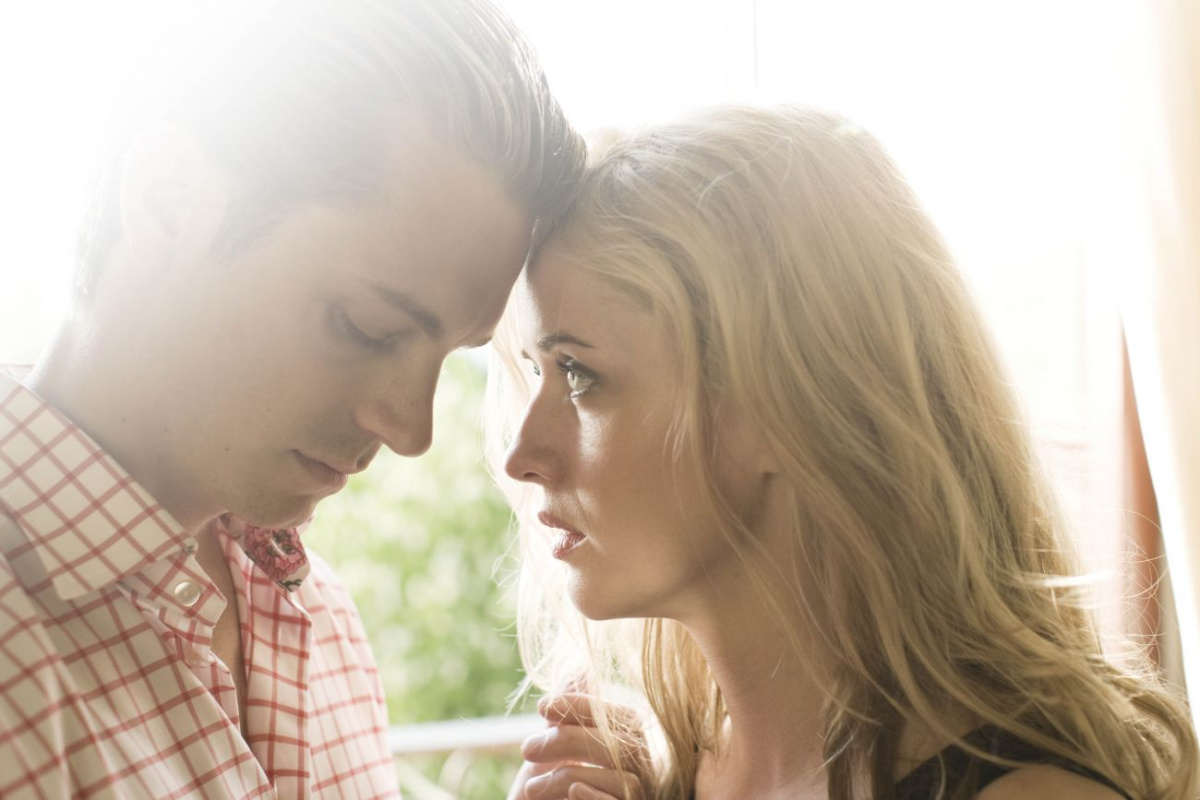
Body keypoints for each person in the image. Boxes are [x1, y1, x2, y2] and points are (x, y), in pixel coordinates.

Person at [491, 105, 1199, 800]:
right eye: (537, 371)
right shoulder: (644, 785)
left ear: (776, 404)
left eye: (579, 375)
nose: (521, 455)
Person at [0, 1, 585, 797]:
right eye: (367, 327)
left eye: (452, 355)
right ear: (171, 200)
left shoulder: (320, 615)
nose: (410, 431)